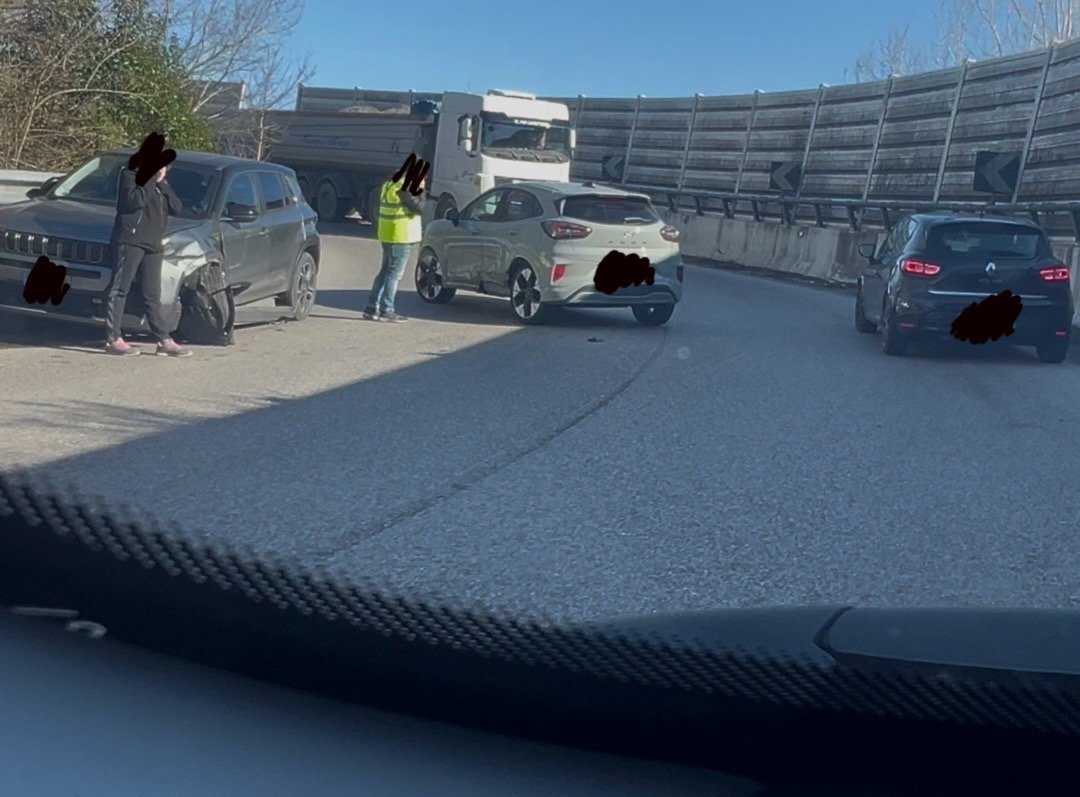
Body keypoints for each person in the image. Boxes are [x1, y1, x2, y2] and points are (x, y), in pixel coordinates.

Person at [105, 157, 191, 356]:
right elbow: (135, 200)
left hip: (154, 244)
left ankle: (163, 339)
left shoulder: (160, 183)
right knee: (120, 289)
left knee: (152, 294)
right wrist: (152, 179)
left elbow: (177, 208)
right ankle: (113, 338)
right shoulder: (130, 175)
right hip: (131, 240)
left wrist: (163, 183)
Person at [364, 171, 426, 323]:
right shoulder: (407, 189)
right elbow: (419, 208)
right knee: (394, 274)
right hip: (401, 236)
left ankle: (371, 308)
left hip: (387, 234)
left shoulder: (389, 185)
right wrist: (422, 191)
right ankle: (387, 309)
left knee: (385, 271)